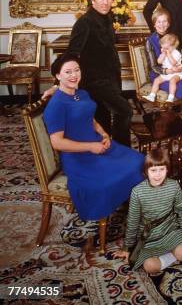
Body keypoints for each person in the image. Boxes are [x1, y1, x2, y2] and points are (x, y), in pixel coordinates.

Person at [43, 53, 144, 222]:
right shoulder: (56, 105)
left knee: (140, 160)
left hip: (99, 146)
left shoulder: (81, 93)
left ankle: (130, 202)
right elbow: (57, 142)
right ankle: (121, 204)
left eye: (77, 70)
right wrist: (90, 146)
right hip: (80, 159)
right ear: (57, 75)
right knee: (116, 177)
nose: (74, 75)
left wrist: (104, 134)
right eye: (68, 72)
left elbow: (91, 119)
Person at [113, 149, 182, 273]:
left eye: (162, 170)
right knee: (150, 267)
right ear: (145, 171)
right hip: (149, 237)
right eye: (153, 170)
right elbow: (132, 221)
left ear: (167, 170)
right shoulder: (137, 192)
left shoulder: (174, 185)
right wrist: (127, 248)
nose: (158, 175)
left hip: (170, 230)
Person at [67, 0, 132, 146]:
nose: (106, 2)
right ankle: (121, 151)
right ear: (93, 0)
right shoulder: (84, 23)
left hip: (109, 78)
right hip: (94, 82)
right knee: (124, 110)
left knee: (102, 120)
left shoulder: (107, 18)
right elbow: (72, 54)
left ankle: (106, 152)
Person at [144, 7, 182, 114]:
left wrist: (181, 67)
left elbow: (180, 57)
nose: (162, 24)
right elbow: (153, 66)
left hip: (177, 71)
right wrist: (167, 71)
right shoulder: (150, 41)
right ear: (154, 24)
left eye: (165, 21)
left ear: (169, 23)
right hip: (160, 75)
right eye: (159, 22)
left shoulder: (173, 38)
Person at [144, 33, 182, 103]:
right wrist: (163, 55)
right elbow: (159, 62)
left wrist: (168, 54)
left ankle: (171, 97)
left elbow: (173, 63)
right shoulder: (164, 53)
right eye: (162, 47)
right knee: (156, 80)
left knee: (172, 81)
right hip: (166, 73)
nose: (164, 49)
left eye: (166, 48)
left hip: (176, 73)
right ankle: (152, 95)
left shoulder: (176, 53)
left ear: (173, 47)